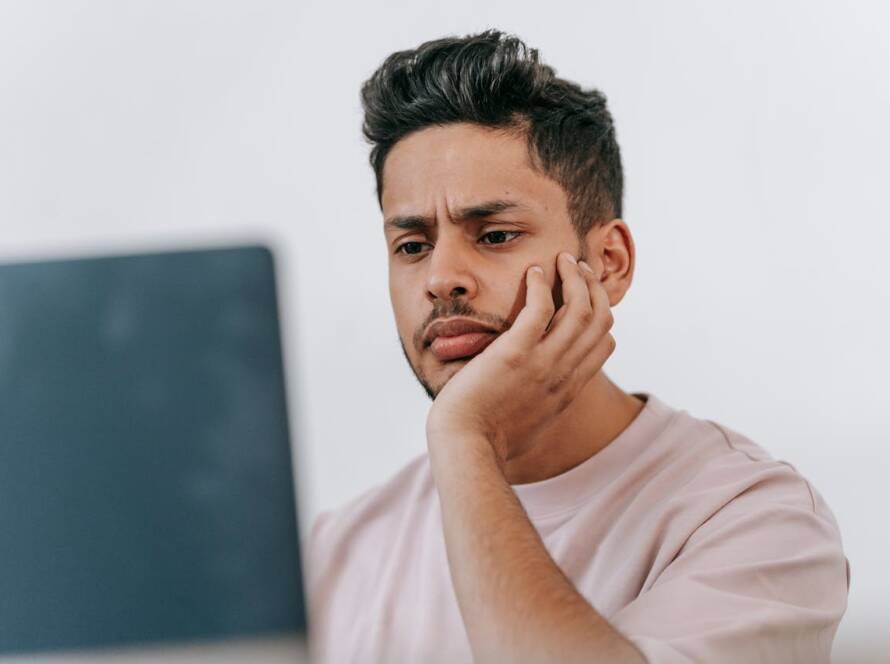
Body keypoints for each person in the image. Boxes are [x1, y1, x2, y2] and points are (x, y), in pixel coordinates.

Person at [307, 29, 849, 664]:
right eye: (412, 246)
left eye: (496, 234)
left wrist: (465, 438)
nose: (439, 278)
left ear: (609, 262)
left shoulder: (753, 521)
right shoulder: (336, 555)